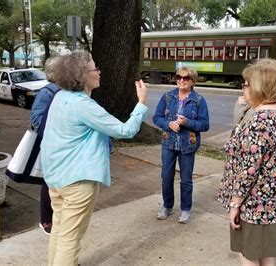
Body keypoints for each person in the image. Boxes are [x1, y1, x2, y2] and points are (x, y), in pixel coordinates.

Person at [40, 50, 148, 265]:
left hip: (57, 178)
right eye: (95, 68)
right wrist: (141, 103)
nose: (99, 72)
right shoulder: (84, 106)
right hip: (77, 181)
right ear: (82, 76)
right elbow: (125, 130)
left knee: (60, 231)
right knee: (70, 239)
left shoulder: (60, 97)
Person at [218, 61, 276, 265]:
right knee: (265, 254)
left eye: (246, 84)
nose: (243, 88)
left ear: (257, 88)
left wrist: (235, 204)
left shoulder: (259, 121)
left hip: (255, 205)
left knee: (248, 254)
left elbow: (248, 170)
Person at [153, 66, 210, 224]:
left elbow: (205, 125)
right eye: (178, 77)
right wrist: (168, 123)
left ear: (192, 81)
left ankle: (185, 209)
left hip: (187, 145)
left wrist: (187, 122)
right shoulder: (167, 97)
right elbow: (156, 117)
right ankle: (167, 206)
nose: (181, 81)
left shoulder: (199, 101)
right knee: (166, 177)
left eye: (185, 78)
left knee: (186, 179)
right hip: (168, 143)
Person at [30, 56, 60, 236]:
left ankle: (55, 217)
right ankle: (46, 220)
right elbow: (35, 120)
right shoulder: (47, 92)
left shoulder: (65, 90)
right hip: (51, 145)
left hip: (61, 146)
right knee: (48, 182)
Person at [233, 58, 276, 127]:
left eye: (246, 86)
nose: (243, 89)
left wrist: (240, 106)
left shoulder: (259, 119)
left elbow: (238, 130)